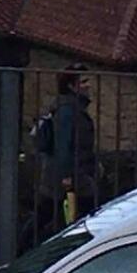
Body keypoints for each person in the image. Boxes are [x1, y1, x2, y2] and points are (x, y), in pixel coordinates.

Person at [35, 68, 97, 234]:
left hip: (69, 173)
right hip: (69, 174)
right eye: (83, 82)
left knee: (46, 215)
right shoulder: (68, 111)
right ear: (72, 86)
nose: (88, 85)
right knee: (85, 213)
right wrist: (66, 176)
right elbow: (63, 144)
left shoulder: (70, 107)